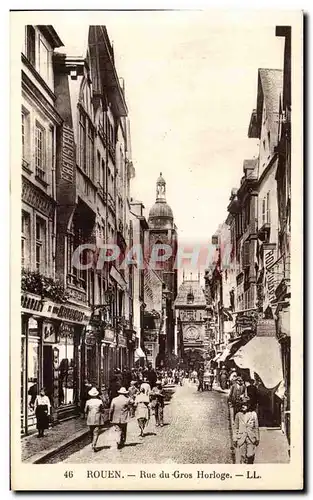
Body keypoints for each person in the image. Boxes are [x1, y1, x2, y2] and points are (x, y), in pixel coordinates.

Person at [233, 398, 260, 464]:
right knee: (242, 456)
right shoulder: (238, 415)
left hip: (250, 438)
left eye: (245, 405)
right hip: (241, 438)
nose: (243, 406)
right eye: (242, 404)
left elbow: (256, 427)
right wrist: (235, 438)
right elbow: (235, 428)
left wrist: (257, 438)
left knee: (250, 455)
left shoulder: (253, 414)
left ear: (248, 405)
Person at [84, 387, 103, 451]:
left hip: (90, 418)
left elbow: (85, 410)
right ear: (97, 394)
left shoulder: (88, 402)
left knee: (91, 431)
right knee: (96, 432)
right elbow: (102, 409)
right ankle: (94, 444)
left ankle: (92, 443)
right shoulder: (100, 401)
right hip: (97, 417)